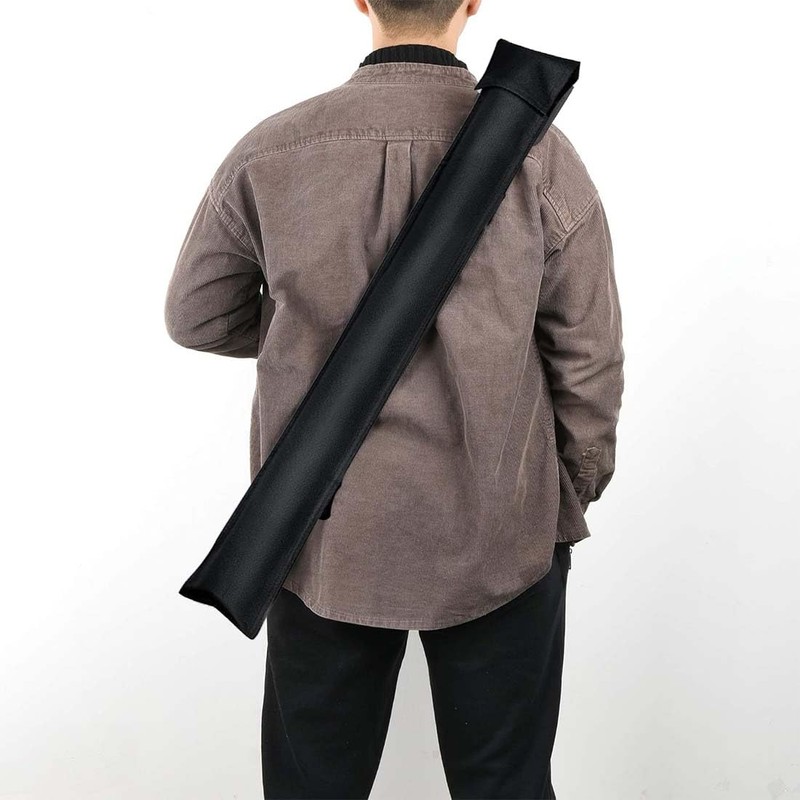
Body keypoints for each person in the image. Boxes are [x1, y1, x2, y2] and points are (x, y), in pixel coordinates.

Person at [164, 0, 624, 796]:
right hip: (501, 530)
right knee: (507, 786)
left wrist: (307, 344)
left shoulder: (274, 149)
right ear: (471, 4)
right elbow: (588, 360)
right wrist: (560, 497)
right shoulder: (541, 155)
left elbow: (197, 315)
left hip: (318, 529)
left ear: (361, 2)